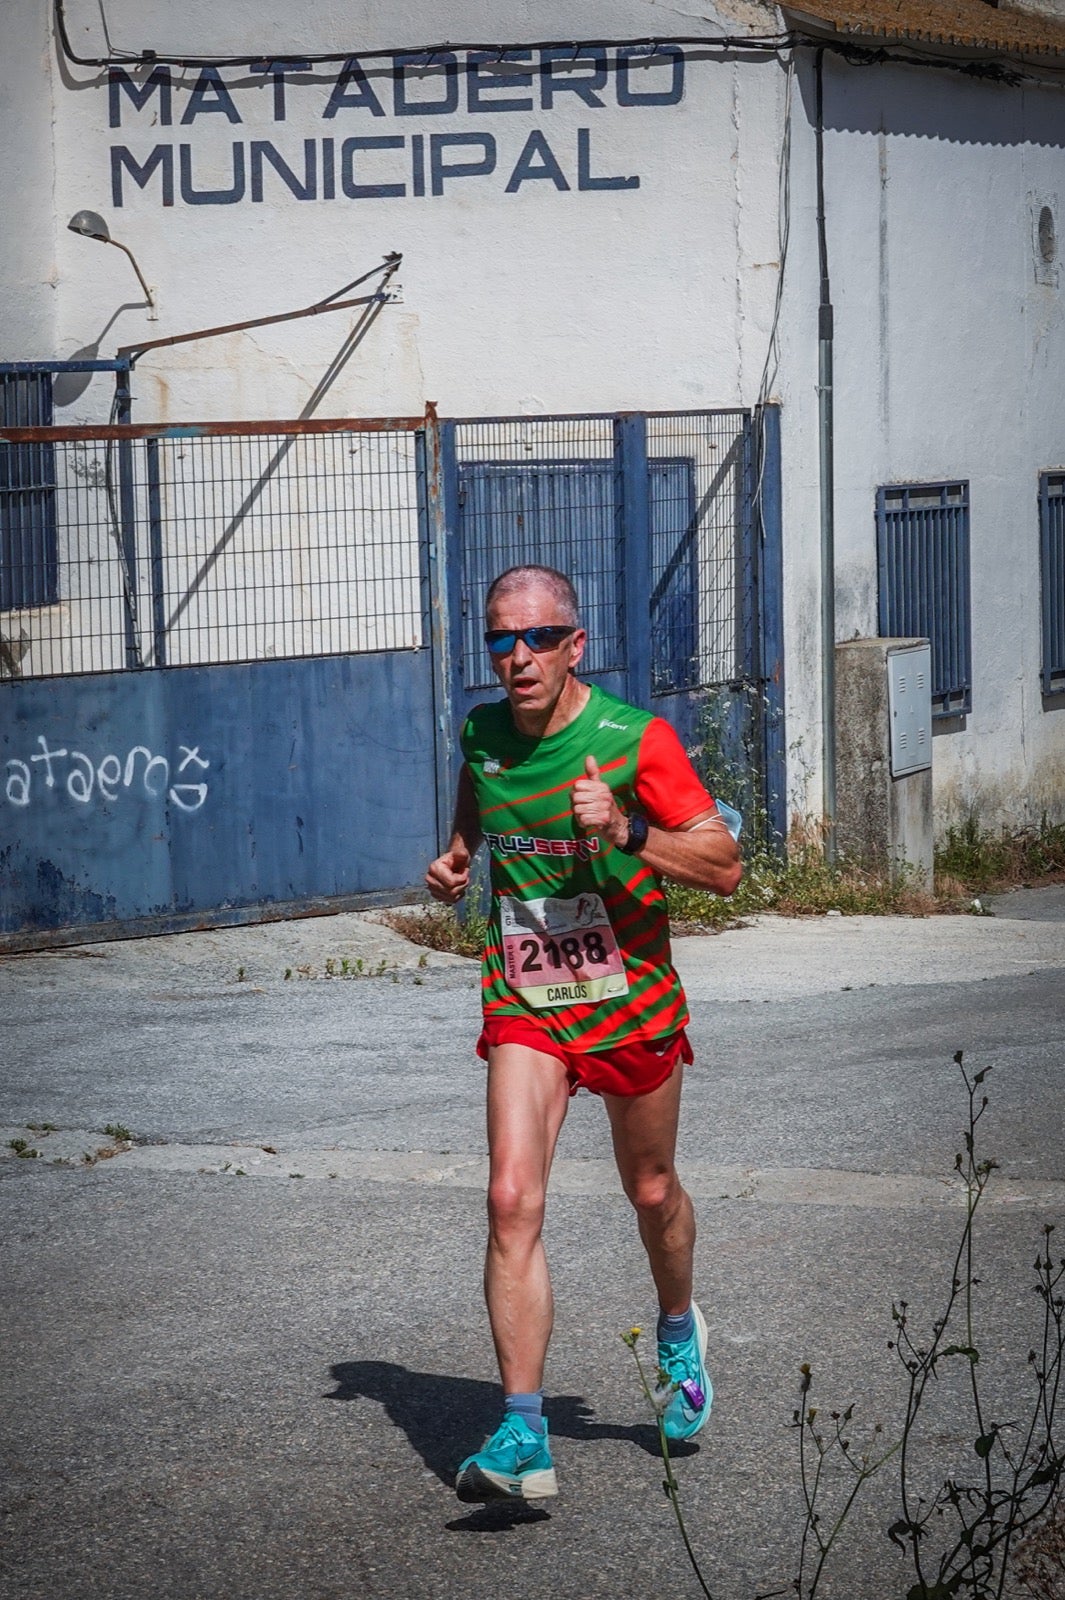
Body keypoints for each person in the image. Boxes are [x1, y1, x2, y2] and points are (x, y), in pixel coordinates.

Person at [426, 564, 742, 1503]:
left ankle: (679, 1324)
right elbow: (475, 813)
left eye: (534, 640)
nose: (514, 659)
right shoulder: (483, 733)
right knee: (509, 1197)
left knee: (649, 1192)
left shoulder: (634, 740)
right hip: (528, 1002)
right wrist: (453, 861)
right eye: (498, 641)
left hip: (631, 1001)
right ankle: (523, 1434)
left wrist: (628, 833)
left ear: (575, 645)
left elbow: (723, 868)